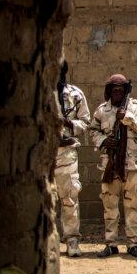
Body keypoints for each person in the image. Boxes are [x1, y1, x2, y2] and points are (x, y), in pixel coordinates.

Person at [89, 74, 137, 258]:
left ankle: (132, 244)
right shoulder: (102, 110)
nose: (117, 93)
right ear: (109, 91)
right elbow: (92, 130)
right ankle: (111, 243)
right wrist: (103, 141)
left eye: (120, 90)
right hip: (110, 164)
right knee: (109, 205)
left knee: (132, 205)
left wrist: (129, 119)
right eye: (114, 90)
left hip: (132, 166)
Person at [54, 61, 90, 258]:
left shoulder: (75, 94)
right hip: (44, 153)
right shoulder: (41, 91)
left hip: (66, 152)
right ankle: (47, 240)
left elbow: (86, 121)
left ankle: (72, 239)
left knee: (69, 197)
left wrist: (68, 123)